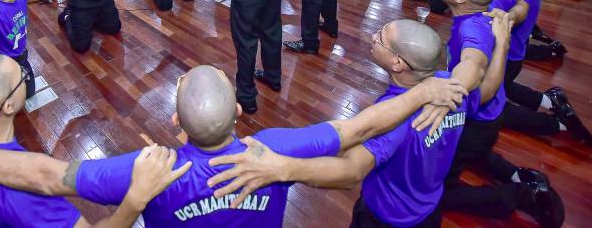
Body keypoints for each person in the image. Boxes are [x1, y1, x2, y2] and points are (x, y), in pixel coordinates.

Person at [0, 63, 467, 227]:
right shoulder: (272, 150)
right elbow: (357, 129)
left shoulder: (149, 168)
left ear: (175, 121)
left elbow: (49, 177)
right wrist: (420, 91)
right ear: (239, 113)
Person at [201, 17, 512, 228]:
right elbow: (487, 87)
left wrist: (281, 169)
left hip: (388, 217)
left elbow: (351, 171)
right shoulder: (451, 88)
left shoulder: (395, 117)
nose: (373, 37)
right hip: (430, 206)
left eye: (381, 38)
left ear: (398, 63)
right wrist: (502, 45)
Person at [0, 54, 197, 227]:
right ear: (8, 105)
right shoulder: (24, 197)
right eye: (22, 76)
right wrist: (134, 200)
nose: (26, 75)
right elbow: (51, 178)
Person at [432, 0, 565, 226]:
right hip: (490, 115)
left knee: (435, 191)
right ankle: (521, 176)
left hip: (475, 121)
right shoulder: (489, 6)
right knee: (475, 153)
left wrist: (439, 99)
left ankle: (519, 196)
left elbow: (477, 72)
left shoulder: (471, 30)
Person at [479, 0, 592, 145]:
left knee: (486, 106)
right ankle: (551, 101)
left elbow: (519, 12)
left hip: (504, 56)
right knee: (505, 86)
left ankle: (557, 125)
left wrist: (504, 16)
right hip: (511, 53)